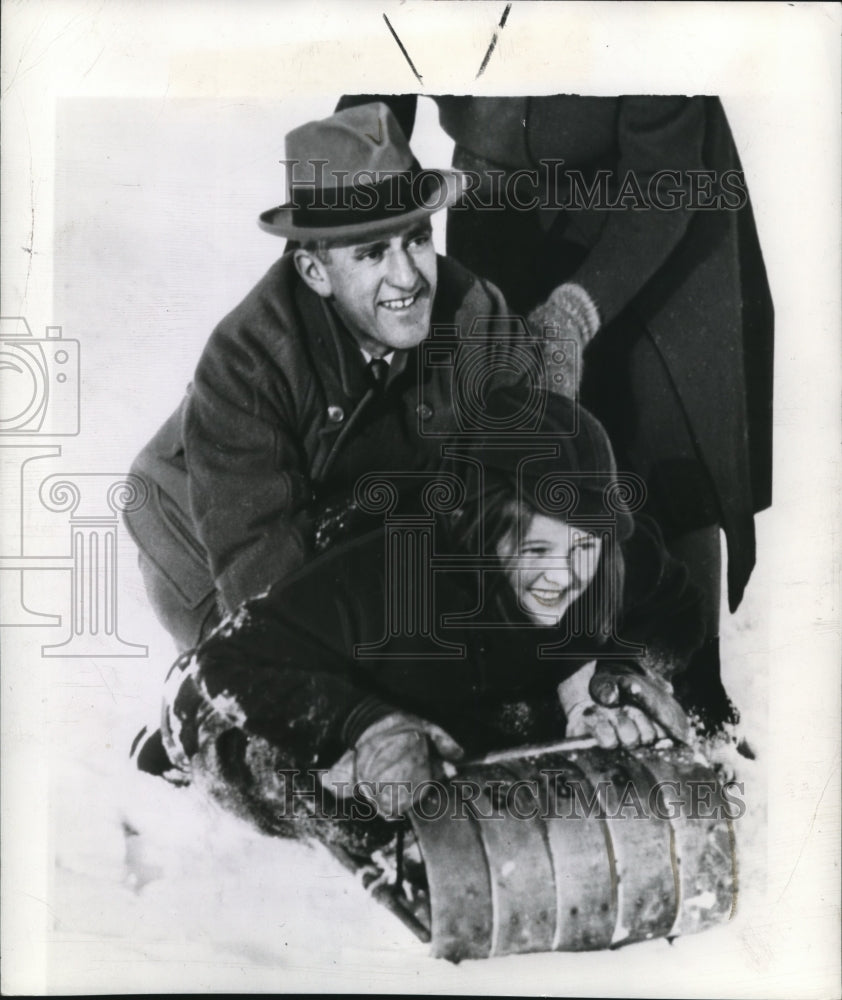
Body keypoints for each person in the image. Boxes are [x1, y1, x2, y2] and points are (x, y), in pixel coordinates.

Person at [336, 94, 774, 730]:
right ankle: (535, 682)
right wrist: (339, 242)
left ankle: (694, 686)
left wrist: (574, 314)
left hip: (653, 199)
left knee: (667, 439)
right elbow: (372, 103)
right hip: (499, 196)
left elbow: (663, 175)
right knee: (509, 440)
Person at [150, 388, 703, 840]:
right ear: (484, 529)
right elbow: (220, 666)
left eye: (583, 547)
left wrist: (620, 675)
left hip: (464, 682)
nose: (562, 576)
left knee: (515, 744)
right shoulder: (394, 576)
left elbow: (677, 610)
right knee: (325, 791)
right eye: (537, 550)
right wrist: (362, 728)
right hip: (276, 659)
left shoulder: (614, 560)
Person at [124, 101, 529, 665]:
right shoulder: (248, 360)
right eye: (371, 253)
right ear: (315, 271)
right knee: (264, 686)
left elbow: (537, 482)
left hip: (346, 513)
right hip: (202, 528)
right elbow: (263, 573)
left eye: (415, 238)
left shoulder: (474, 313)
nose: (408, 277)